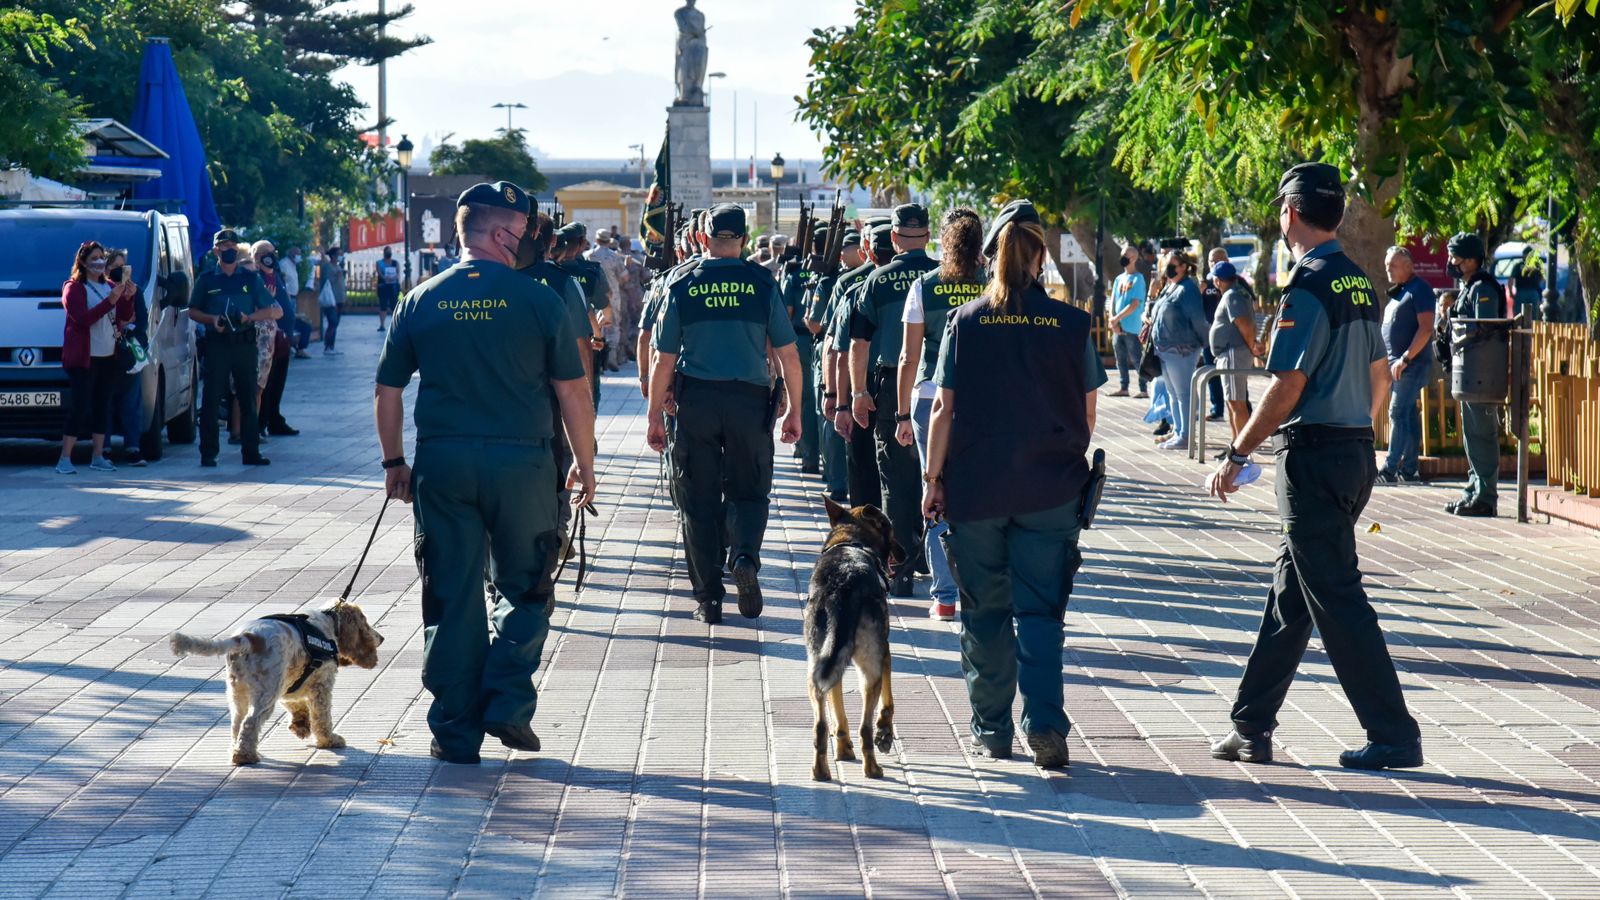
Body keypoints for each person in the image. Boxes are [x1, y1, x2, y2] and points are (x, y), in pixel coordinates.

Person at [1206, 162, 1422, 772]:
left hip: (1316, 458)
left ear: (1290, 214)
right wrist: (1359, 424)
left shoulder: (1307, 286)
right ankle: (1250, 725)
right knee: (1292, 594)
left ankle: (1394, 733)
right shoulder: (1358, 281)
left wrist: (1237, 452)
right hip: (1353, 450)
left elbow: (1285, 386)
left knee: (1337, 596)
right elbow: (1380, 378)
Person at [376, 181, 596, 765]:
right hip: (521, 462)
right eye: (522, 233)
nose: (526, 243)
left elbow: (388, 388)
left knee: (451, 595)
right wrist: (584, 462)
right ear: (502, 233)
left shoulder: (421, 299)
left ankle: (454, 732)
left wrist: (394, 461)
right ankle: (506, 698)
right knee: (526, 586)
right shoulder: (539, 300)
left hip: (444, 463)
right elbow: (572, 389)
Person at [920, 199, 1103, 768]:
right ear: (1040, 254)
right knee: (1042, 615)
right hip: (1050, 490)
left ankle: (992, 730)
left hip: (977, 490)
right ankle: (1045, 723)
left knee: (984, 614)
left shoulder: (965, 321)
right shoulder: (1073, 324)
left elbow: (942, 412)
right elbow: (1089, 414)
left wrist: (932, 480)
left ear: (991, 252)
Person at [646, 204, 803, 624]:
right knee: (749, 493)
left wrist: (653, 416)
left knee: (698, 502)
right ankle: (745, 557)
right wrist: (795, 412)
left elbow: (663, 358)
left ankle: (708, 599)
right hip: (749, 401)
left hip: (695, 401)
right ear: (745, 240)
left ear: (703, 239)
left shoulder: (682, 284)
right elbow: (788, 354)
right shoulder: (763, 282)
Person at [898, 208, 984, 621]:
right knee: (982, 491)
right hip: (984, 401)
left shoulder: (924, 286)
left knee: (933, 488)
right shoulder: (993, 285)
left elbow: (908, 356)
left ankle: (944, 596)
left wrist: (900, 412)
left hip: (931, 398)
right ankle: (978, 585)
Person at [850, 204, 938, 596]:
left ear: (895, 239)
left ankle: (900, 571)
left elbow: (858, 343)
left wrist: (857, 391)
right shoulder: (949, 278)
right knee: (942, 476)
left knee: (897, 482)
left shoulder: (876, 281)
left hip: (893, 389)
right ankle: (940, 565)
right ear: (929, 236)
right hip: (953, 387)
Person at [189, 228, 281, 467]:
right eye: (224, 246)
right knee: (211, 400)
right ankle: (208, 453)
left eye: (232, 246)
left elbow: (269, 308)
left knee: (248, 398)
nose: (228, 250)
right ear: (215, 250)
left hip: (244, 344)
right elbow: (193, 310)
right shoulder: (207, 279)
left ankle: (251, 452)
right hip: (217, 344)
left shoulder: (250, 278)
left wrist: (249, 317)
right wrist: (212, 320)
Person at [57, 241, 135, 475]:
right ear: (83, 262)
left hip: (107, 355)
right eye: (94, 258)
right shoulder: (74, 288)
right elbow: (82, 319)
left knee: (103, 405)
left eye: (102, 257)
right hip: (83, 358)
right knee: (80, 405)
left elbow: (123, 317)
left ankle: (98, 455)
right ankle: (65, 458)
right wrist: (110, 301)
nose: (100, 262)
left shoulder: (110, 285)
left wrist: (127, 298)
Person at [1443, 232, 1503, 517]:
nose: (1451, 262)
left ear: (1471, 259)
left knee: (1482, 433)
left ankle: (1485, 496)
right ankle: (1473, 489)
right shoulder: (1469, 286)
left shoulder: (1483, 288)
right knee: (1471, 434)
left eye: (1456, 256)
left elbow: (1484, 326)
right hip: (1469, 372)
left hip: (1483, 370)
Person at [831, 220, 889, 510]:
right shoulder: (930, 280)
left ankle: (867, 535)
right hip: (917, 382)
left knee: (864, 466)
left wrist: (841, 402)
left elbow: (843, 352)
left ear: (868, 249)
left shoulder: (856, 288)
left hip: (865, 384)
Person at [809, 228, 863, 502]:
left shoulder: (841, 282)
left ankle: (837, 481)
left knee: (832, 419)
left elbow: (817, 324)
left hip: (837, 353)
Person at [1376, 246, 1435, 485]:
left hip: (1411, 365)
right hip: (1396, 365)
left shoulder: (1419, 290)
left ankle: (1389, 470)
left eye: (1393, 265)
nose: (1388, 269)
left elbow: (1426, 328)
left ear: (1409, 266)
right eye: (1387, 265)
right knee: (1408, 415)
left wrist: (1405, 358)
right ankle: (1410, 470)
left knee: (1397, 412)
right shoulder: (1401, 291)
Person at [1144, 249, 1206, 450]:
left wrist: (1206, 344)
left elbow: (1197, 319)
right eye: (1167, 264)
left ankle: (1186, 436)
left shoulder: (1187, 288)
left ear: (1185, 267)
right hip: (1165, 349)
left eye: (1174, 264)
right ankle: (1179, 432)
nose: (1169, 268)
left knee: (1183, 394)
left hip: (1182, 349)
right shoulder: (1171, 287)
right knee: (1173, 393)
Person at [104, 248, 151, 467]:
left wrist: (129, 326)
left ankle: (133, 447)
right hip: (104, 353)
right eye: (114, 269)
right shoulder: (100, 290)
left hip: (127, 355)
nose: (119, 273)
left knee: (131, 402)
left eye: (122, 268)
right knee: (104, 401)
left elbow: (142, 324)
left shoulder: (136, 292)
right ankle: (103, 448)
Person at [1207, 260, 1259, 448]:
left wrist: (1252, 345)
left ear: (1218, 281)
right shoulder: (1234, 293)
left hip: (1233, 353)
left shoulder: (1232, 296)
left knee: (1237, 403)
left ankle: (1242, 449)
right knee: (1232, 403)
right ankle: (1236, 445)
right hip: (1230, 353)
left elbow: (1244, 324)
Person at [258, 240, 300, 438]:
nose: (270, 256)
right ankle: (262, 422)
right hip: (266, 341)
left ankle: (275, 419)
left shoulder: (276, 275)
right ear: (257, 256)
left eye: (272, 252)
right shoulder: (255, 278)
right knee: (265, 383)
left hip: (283, 339)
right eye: (266, 253)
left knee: (278, 382)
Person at [1108, 246, 1148, 398]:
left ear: (1134, 258)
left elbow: (1135, 304)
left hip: (1133, 326)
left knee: (1136, 357)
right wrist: (1113, 321)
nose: (1123, 257)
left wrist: (1117, 318)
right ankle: (1123, 387)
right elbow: (1113, 300)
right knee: (1120, 357)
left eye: (1126, 255)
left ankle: (1143, 388)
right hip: (1119, 326)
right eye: (1122, 254)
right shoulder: (1119, 279)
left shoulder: (1138, 279)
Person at [1199, 247, 1230, 420]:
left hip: (1230, 337)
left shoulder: (1235, 281)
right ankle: (1217, 409)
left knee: (1234, 376)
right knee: (1212, 373)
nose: (1214, 264)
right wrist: (1200, 291)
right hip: (1210, 335)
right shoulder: (1205, 283)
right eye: (1211, 261)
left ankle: (1244, 410)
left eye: (1218, 260)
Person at [278, 246, 312, 360]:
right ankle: (290, 346)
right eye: (298, 254)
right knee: (290, 321)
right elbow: (284, 282)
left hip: (293, 297)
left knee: (296, 322)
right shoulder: (284, 264)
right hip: (288, 298)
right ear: (292, 254)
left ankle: (296, 348)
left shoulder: (293, 265)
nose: (299, 256)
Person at [317, 247, 345, 355]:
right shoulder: (328, 267)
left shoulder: (337, 266)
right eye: (339, 254)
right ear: (333, 255)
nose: (341, 256)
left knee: (336, 323)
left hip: (339, 298)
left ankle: (332, 346)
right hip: (331, 299)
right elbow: (326, 282)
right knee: (332, 322)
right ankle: (327, 346)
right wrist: (336, 277)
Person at [375, 246, 401, 332]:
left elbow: (398, 273)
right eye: (387, 251)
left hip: (393, 287)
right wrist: (385, 278)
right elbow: (379, 273)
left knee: (394, 306)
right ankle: (382, 325)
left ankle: (396, 324)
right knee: (383, 306)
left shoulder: (395, 263)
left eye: (390, 251)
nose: (389, 253)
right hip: (383, 287)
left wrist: (393, 278)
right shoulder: (379, 263)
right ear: (384, 253)